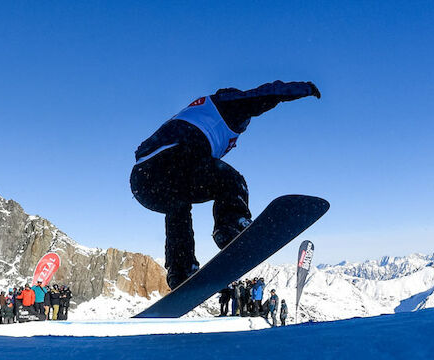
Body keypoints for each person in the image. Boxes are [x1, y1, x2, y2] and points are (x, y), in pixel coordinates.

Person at [130, 80, 321, 289]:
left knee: (179, 210)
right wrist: (303, 88)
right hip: (167, 163)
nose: (244, 125)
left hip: (144, 183)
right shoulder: (225, 103)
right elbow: (263, 94)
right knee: (231, 180)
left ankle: (181, 270)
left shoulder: (196, 116)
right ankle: (231, 227)